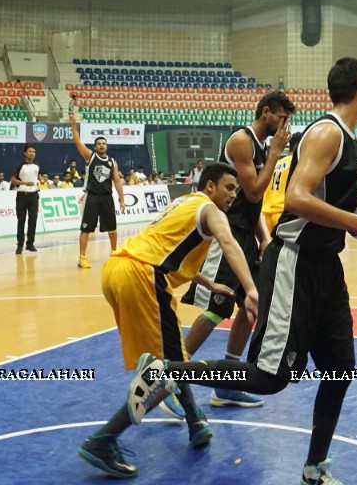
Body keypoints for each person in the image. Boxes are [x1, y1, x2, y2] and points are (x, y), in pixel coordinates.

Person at [108, 57, 357, 485]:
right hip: (295, 264)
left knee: (340, 369)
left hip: (325, 267)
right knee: (270, 377)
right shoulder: (327, 133)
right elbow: (298, 199)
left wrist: (353, 215)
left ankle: (314, 470)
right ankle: (166, 372)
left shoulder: (347, 140)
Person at [77, 163, 256, 477]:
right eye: (229, 187)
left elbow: (161, 246)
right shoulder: (210, 210)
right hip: (143, 276)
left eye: (236, 190)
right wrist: (251, 289)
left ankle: (195, 419)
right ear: (210, 186)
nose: (234, 194)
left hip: (118, 270)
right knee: (163, 370)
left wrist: (207, 283)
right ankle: (103, 440)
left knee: (174, 359)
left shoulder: (182, 203)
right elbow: (230, 244)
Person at [178, 90, 295, 412]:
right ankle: (172, 380)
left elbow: (252, 206)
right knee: (218, 308)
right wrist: (275, 153)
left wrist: (264, 240)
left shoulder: (261, 147)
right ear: (267, 112)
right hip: (225, 233)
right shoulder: (242, 141)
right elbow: (255, 193)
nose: (285, 126)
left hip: (246, 233)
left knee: (250, 307)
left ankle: (225, 384)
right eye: (282, 118)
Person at [70, 110, 126, 269]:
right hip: (92, 197)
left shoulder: (112, 162)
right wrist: (74, 126)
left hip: (107, 197)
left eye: (104, 143)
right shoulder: (90, 156)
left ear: (107, 146)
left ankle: (114, 252)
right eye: (99, 143)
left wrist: (122, 199)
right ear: (95, 147)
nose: (102, 145)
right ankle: (82, 257)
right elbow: (77, 142)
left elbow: (117, 181)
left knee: (112, 228)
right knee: (86, 228)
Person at [260, 133, 302, 234]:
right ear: (298, 147)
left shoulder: (275, 164)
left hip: (268, 214)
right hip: (283, 213)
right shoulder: (297, 165)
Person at [10, 144, 40, 254]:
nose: (32, 153)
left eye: (34, 152)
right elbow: (13, 179)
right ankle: (20, 244)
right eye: (30, 151)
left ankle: (30, 243)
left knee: (33, 220)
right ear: (25, 153)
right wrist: (25, 183)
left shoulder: (36, 166)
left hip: (33, 196)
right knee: (21, 220)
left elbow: (36, 178)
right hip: (22, 195)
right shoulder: (20, 165)